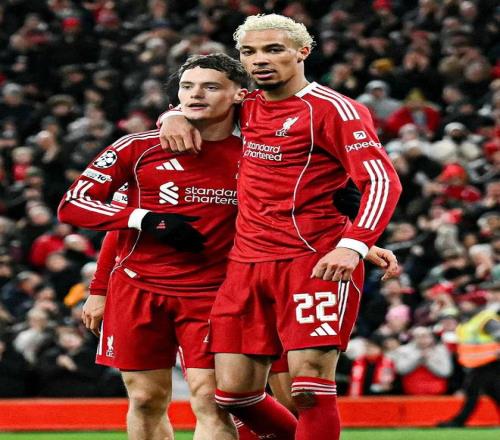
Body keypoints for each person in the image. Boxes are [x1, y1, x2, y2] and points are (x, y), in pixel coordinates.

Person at [159, 14, 402, 440]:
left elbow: (382, 181)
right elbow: (199, 100)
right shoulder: (247, 105)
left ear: (302, 52)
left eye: (273, 50)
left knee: (307, 391)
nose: (260, 60)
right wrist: (172, 115)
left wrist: (354, 244)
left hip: (313, 261)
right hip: (246, 264)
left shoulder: (334, 110)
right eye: (249, 52)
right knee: (233, 395)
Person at [59, 53, 249, 440]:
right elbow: (73, 204)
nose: (196, 94)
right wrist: (142, 222)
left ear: (238, 95)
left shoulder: (254, 154)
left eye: (210, 87)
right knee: (146, 399)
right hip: (138, 289)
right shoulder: (138, 147)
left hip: (214, 294)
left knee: (212, 400)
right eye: (187, 87)